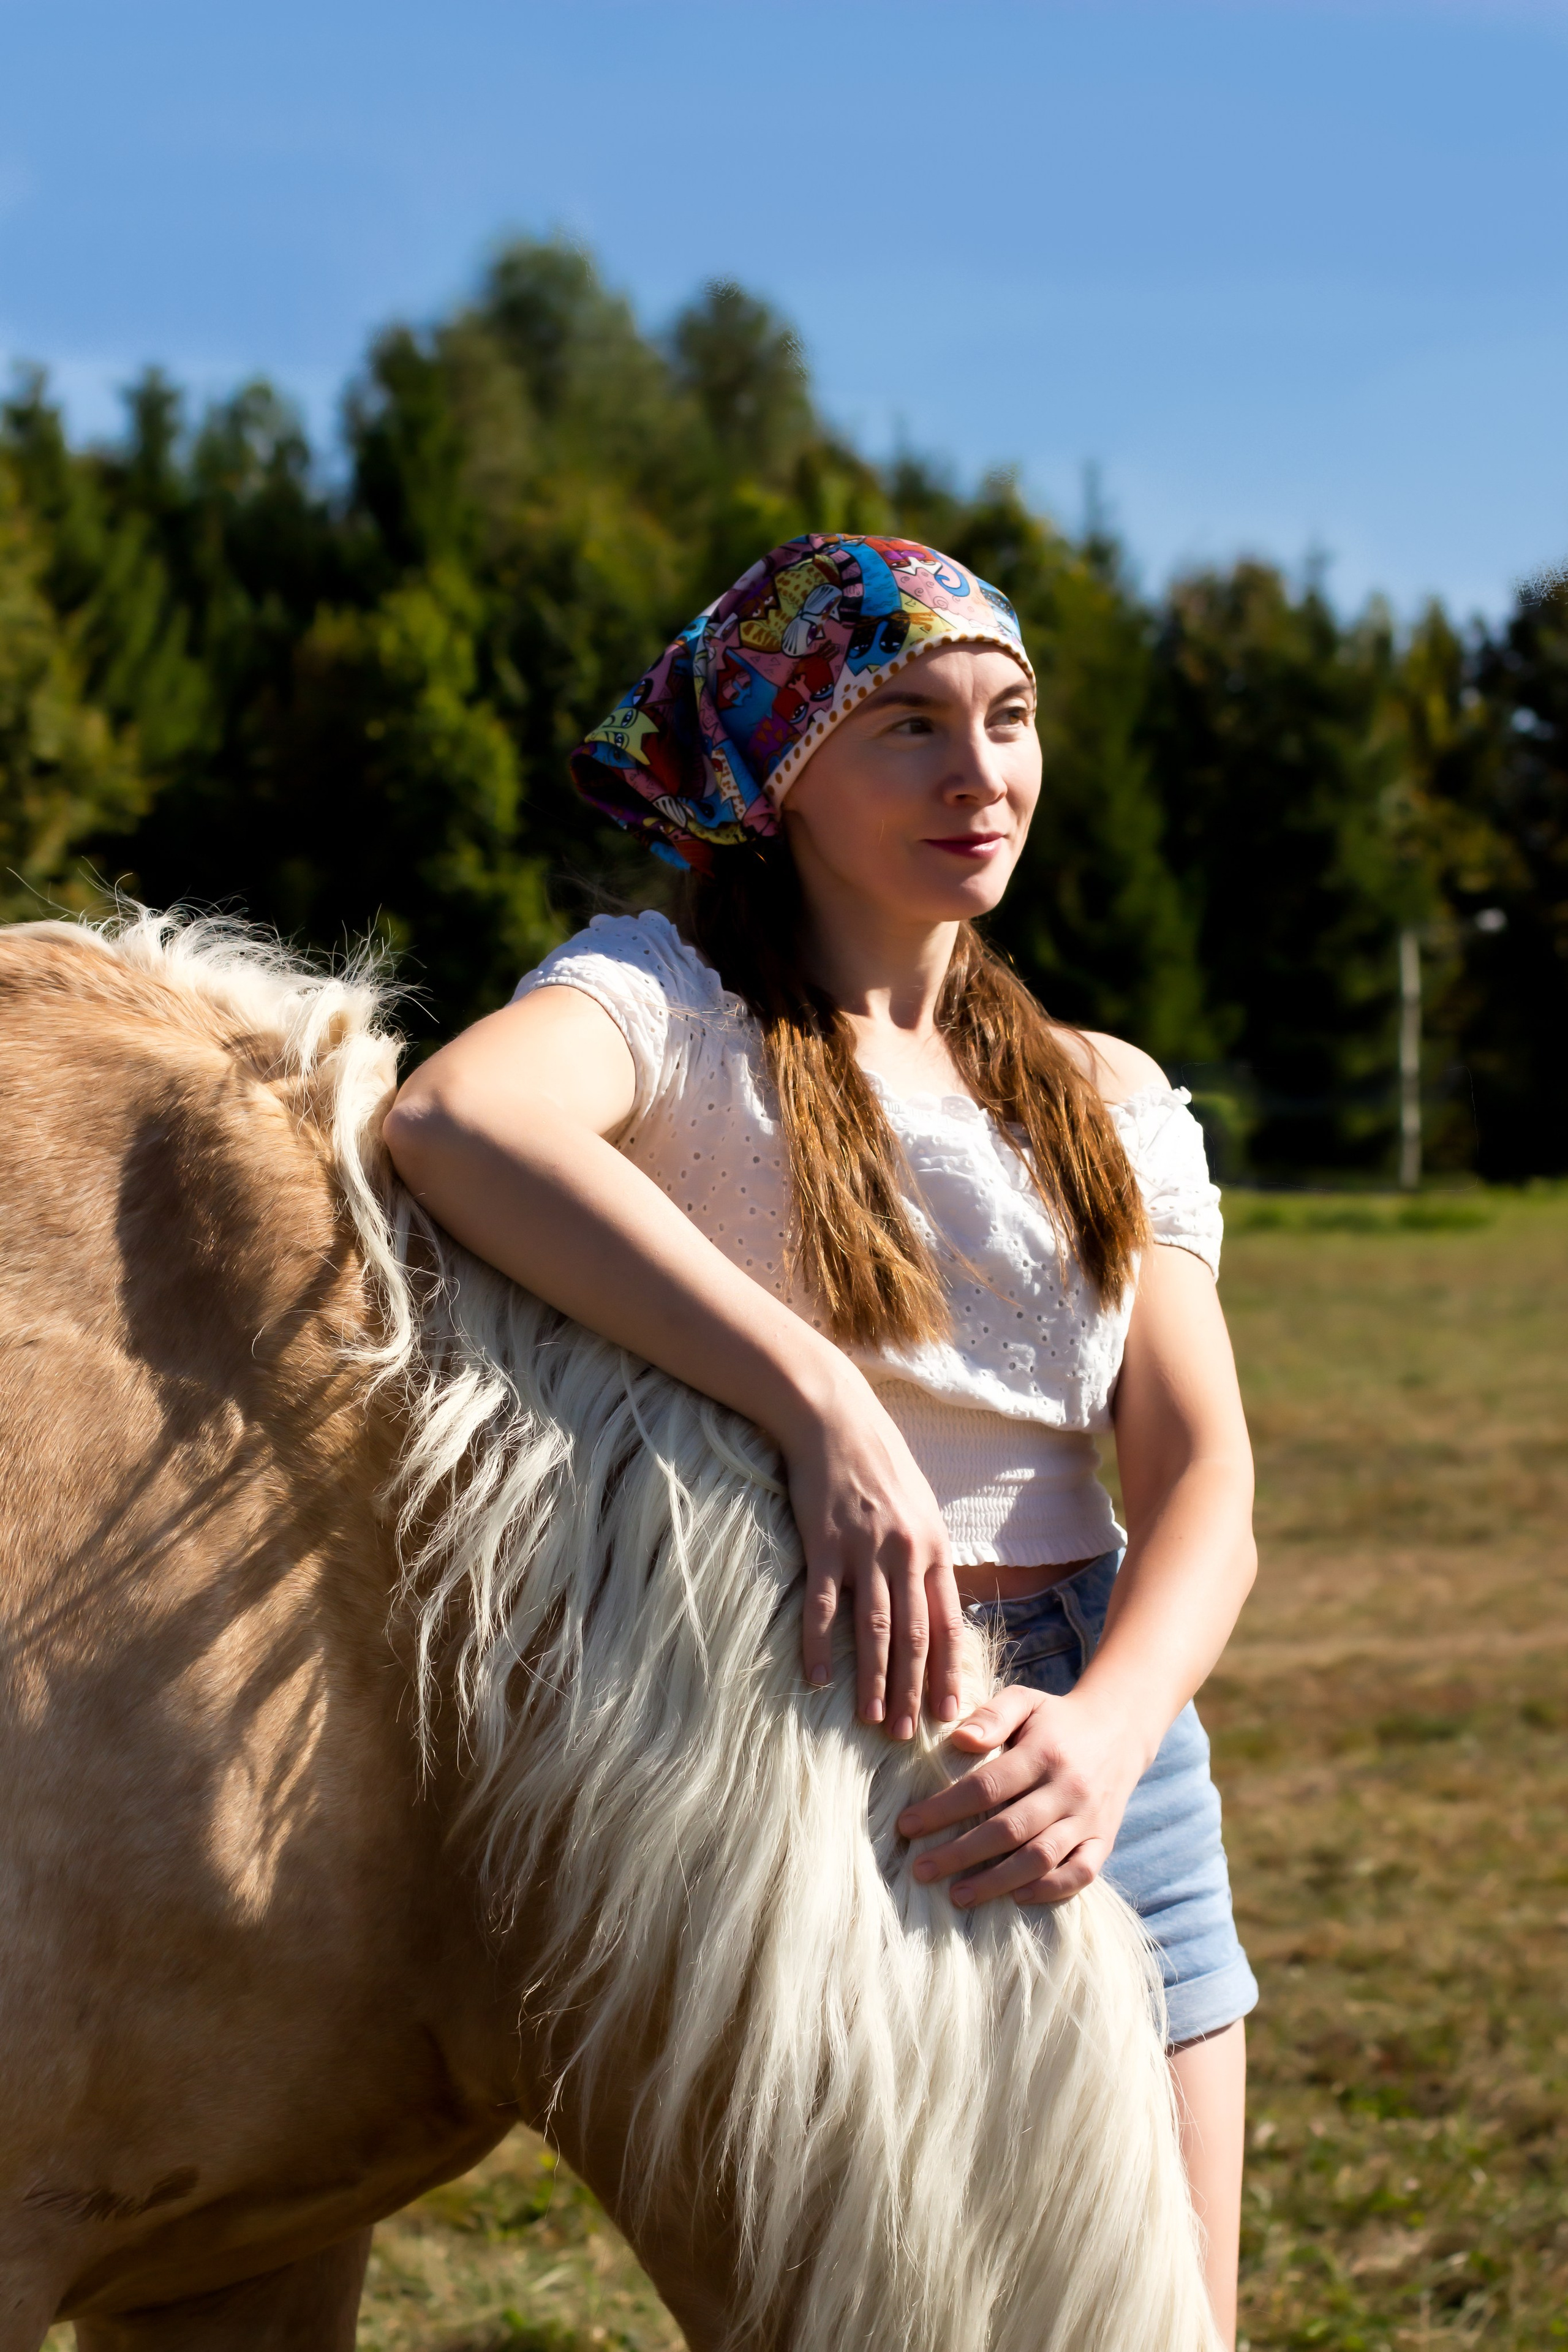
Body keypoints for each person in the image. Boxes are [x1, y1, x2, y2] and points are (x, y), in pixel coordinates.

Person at [384, 533, 1259, 2341]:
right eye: (907, 726)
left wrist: (1107, 1732)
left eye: (1009, 719)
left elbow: (1202, 1483)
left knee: (1166, 2319)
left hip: (1111, 1734)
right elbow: (460, 1119)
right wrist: (824, 1398)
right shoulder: (668, 1009)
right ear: (778, 777)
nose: (980, 773)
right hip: (811, 1730)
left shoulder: (1108, 1091)